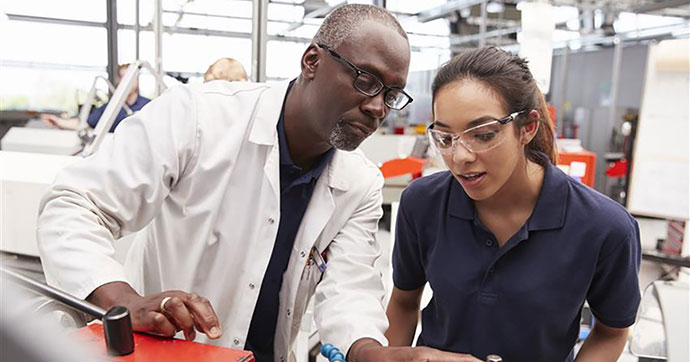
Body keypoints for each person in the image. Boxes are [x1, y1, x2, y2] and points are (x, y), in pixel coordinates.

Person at [38, 4, 475, 362]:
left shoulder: (359, 183)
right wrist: (124, 301)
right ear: (312, 61)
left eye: (392, 94)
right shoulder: (198, 118)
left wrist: (370, 351)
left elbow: (350, 292)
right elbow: (75, 204)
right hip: (166, 353)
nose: (378, 107)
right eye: (366, 80)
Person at [386, 47, 641, 362]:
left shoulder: (605, 227)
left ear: (528, 127)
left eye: (483, 134)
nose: (461, 156)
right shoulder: (423, 203)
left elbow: (612, 331)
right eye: (445, 138)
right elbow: (403, 302)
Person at [41, 64, 150, 133]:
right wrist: (58, 121)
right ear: (118, 80)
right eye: (124, 77)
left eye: (130, 77)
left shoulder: (149, 106)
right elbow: (83, 124)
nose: (128, 82)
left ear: (137, 79)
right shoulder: (110, 107)